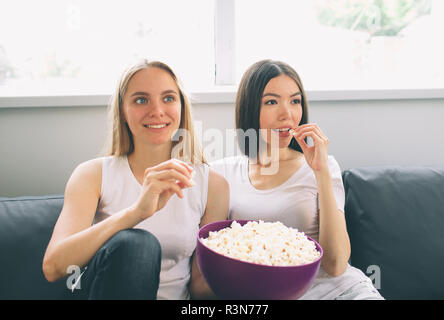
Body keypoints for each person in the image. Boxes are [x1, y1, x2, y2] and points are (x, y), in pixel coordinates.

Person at [42, 60, 228, 300]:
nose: (157, 111)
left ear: (182, 107)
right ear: (123, 111)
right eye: (141, 100)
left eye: (169, 98)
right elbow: (54, 267)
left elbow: (201, 287)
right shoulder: (91, 175)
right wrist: (135, 213)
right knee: (137, 244)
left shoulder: (213, 185)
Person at [211, 59, 383, 300]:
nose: (288, 114)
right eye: (271, 102)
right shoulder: (223, 173)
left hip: (343, 291)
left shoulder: (323, 166)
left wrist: (321, 173)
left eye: (295, 101)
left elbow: (335, 265)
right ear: (250, 108)